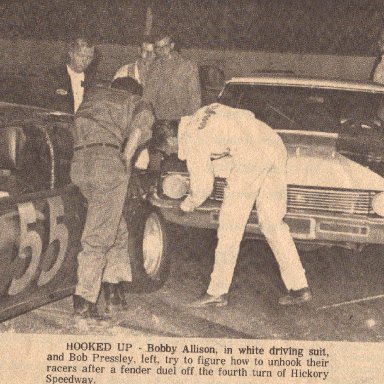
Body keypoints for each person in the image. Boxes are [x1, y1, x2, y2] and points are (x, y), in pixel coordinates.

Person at [173, 103, 312, 307]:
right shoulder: (204, 112)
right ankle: (300, 287)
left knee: (231, 226)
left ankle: (217, 291)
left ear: (171, 138)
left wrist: (186, 205)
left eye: (169, 148)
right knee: (273, 223)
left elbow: (203, 187)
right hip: (273, 142)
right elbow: (246, 115)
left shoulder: (193, 138)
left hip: (251, 155)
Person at [70, 77, 154, 319]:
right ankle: (84, 300)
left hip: (79, 165)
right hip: (107, 163)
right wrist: (125, 161)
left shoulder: (91, 99)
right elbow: (139, 129)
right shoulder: (136, 101)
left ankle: (113, 291)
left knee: (115, 226)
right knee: (98, 235)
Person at [143, 33, 201, 122]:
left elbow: (194, 97)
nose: (161, 50)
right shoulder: (154, 67)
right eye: (158, 47)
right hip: (158, 119)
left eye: (164, 47)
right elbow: (148, 96)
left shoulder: (187, 65)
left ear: (171, 46)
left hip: (181, 119)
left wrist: (191, 120)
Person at [48, 37, 97, 113]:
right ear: (71, 54)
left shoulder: (92, 81)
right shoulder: (53, 76)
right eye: (81, 56)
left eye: (89, 57)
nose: (85, 61)